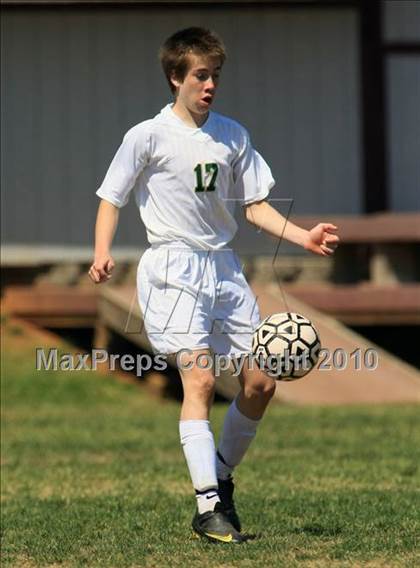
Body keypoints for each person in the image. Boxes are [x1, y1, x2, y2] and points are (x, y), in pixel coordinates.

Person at [89, 27, 339, 544]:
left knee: (261, 382)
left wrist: (303, 236)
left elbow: (254, 206)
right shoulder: (147, 136)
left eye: (215, 76)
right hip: (173, 270)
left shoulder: (232, 135)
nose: (210, 85)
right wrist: (101, 252)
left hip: (222, 271)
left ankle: (219, 480)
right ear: (175, 77)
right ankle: (208, 509)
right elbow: (111, 198)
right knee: (199, 380)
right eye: (200, 75)